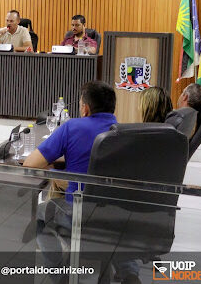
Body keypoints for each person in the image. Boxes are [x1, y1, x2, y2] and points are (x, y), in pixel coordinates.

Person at [22, 80, 140, 284]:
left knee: (40, 216)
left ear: (85, 108)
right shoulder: (126, 133)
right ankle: (130, 274)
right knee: (112, 224)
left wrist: (54, 169)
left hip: (78, 215)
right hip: (116, 215)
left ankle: (59, 274)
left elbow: (30, 164)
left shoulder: (72, 127)